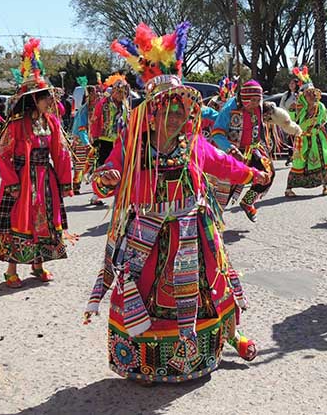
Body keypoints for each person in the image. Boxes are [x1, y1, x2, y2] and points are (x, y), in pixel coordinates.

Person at [84, 22, 271, 383]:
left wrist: (252, 174)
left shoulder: (192, 143)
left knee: (212, 285)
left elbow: (221, 163)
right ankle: (145, 359)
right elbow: (110, 172)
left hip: (193, 228)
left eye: (183, 108)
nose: (179, 116)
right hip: (147, 234)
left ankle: (230, 336)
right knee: (146, 290)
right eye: (169, 109)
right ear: (151, 114)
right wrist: (106, 178)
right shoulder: (134, 143)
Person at [0, 38, 75, 287]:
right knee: (20, 221)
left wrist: (66, 182)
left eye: (49, 96)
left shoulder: (51, 123)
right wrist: (12, 182)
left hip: (45, 178)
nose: (50, 101)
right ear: (33, 99)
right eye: (45, 97)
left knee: (46, 220)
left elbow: (60, 152)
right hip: (22, 179)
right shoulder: (16, 124)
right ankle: (11, 269)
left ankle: (38, 264)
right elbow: (3, 154)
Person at [211, 80, 276, 222]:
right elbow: (216, 132)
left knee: (267, 175)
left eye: (259, 99)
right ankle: (213, 222)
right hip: (232, 153)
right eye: (253, 100)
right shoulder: (229, 108)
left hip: (252, 150)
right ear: (245, 98)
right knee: (226, 189)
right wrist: (230, 149)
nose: (256, 103)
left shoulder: (259, 107)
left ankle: (248, 202)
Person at [285, 66, 327, 197]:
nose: (312, 96)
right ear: (304, 95)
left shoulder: (320, 106)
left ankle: (326, 186)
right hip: (302, 138)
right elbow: (291, 121)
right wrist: (292, 110)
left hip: (318, 138)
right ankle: (289, 188)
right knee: (298, 162)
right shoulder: (299, 107)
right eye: (309, 94)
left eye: (313, 93)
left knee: (323, 159)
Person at [89, 73, 130, 205]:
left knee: (120, 167)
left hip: (120, 140)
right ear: (114, 91)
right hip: (105, 138)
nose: (120, 95)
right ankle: (96, 193)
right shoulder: (103, 103)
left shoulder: (125, 105)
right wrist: (94, 137)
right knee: (103, 165)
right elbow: (95, 120)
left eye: (123, 93)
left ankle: (118, 192)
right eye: (118, 92)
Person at [280, 78, 299, 165]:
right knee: (290, 139)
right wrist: (288, 111)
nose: (291, 85)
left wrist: (296, 108)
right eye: (290, 83)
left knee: (297, 139)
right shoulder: (286, 95)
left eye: (293, 83)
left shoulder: (299, 95)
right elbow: (281, 106)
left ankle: (297, 156)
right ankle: (290, 156)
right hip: (289, 120)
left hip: (297, 120)